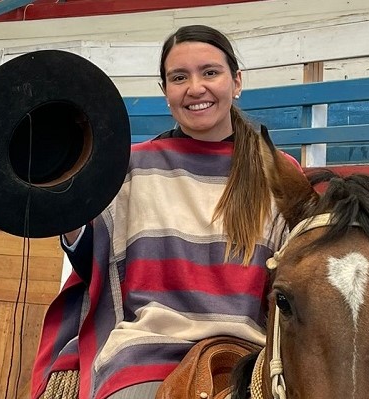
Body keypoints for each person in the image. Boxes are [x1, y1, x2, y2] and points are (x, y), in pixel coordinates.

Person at [31, 24, 295, 399]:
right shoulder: (131, 167)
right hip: (144, 353)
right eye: (179, 77)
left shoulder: (277, 170)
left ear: (236, 82)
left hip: (250, 358)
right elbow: (94, 257)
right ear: (165, 92)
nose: (195, 87)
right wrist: (65, 201)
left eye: (210, 72)